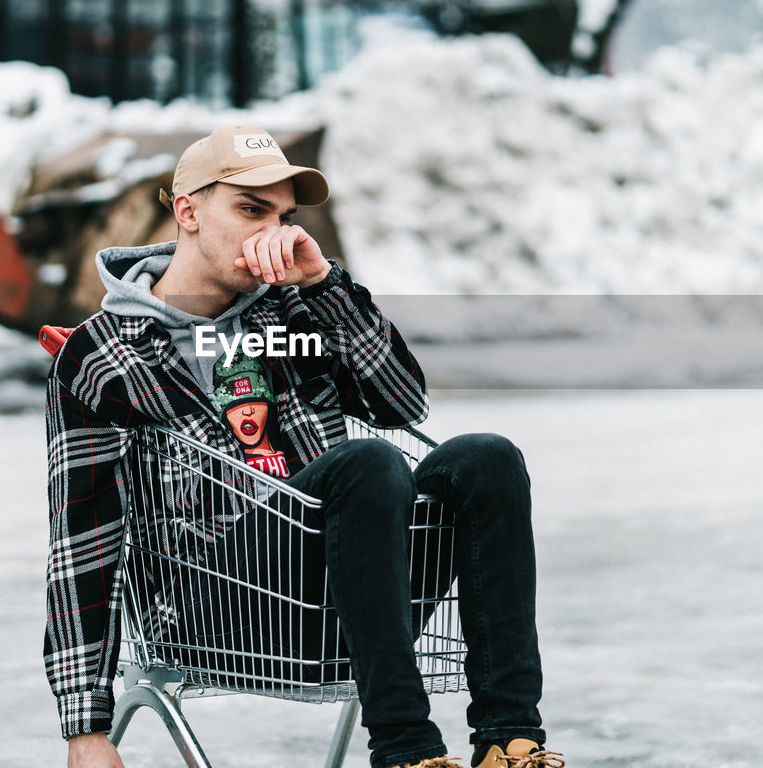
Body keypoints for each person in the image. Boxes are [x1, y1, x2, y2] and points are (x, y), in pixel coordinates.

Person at [44, 126, 559, 768]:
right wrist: (84, 727)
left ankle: (510, 742)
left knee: (488, 457)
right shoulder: (102, 358)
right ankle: (406, 752)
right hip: (215, 613)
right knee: (366, 464)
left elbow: (402, 404)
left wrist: (323, 284)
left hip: (346, 590)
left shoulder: (292, 315)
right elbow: (82, 539)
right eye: (251, 209)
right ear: (188, 211)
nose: (272, 234)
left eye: (284, 216)